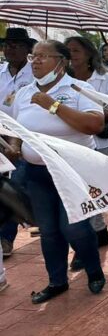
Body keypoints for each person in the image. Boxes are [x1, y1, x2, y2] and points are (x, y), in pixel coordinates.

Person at [12, 40, 106, 303]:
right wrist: (15, 147)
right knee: (49, 231)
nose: (36, 61)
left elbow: (94, 125)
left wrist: (52, 105)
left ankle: (94, 269)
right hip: (37, 173)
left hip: (72, 171)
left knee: (73, 228)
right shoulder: (24, 92)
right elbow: (20, 128)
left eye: (43, 56)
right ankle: (57, 281)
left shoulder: (79, 88)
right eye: (33, 56)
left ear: (61, 63)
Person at [65, 36, 108, 269]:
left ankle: (88, 240)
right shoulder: (60, 80)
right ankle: (95, 233)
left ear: (88, 54)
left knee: (92, 191)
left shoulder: (105, 78)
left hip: (99, 140)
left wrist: (87, 117)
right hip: (70, 142)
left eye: (75, 50)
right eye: (67, 51)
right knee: (75, 192)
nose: (71, 55)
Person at [0, 28, 36, 258]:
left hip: (25, 138)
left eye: (16, 45)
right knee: (2, 189)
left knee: (18, 187)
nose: (10, 48)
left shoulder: (36, 74)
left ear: (27, 49)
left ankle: (6, 236)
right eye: (7, 44)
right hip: (0, 137)